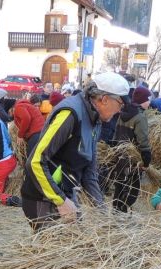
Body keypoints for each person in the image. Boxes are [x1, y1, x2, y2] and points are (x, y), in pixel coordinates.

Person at [20, 72, 129, 231]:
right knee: (55, 252)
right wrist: (61, 201)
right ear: (104, 99)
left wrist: (103, 213)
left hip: (65, 194)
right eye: (120, 103)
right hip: (42, 197)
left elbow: (89, 174)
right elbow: (35, 161)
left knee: (78, 242)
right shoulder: (70, 114)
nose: (120, 110)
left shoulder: (95, 121)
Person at [106, 86, 152, 212]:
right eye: (148, 99)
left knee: (120, 183)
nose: (149, 102)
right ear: (142, 100)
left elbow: (116, 133)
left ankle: (116, 210)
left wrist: (114, 151)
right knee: (133, 186)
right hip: (133, 158)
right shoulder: (140, 117)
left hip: (120, 154)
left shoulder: (123, 113)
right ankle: (123, 210)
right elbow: (143, 140)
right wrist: (146, 159)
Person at [13, 94, 45, 158]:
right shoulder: (28, 107)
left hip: (36, 134)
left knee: (30, 158)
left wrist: (20, 135)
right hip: (42, 132)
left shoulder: (18, 107)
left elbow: (26, 118)